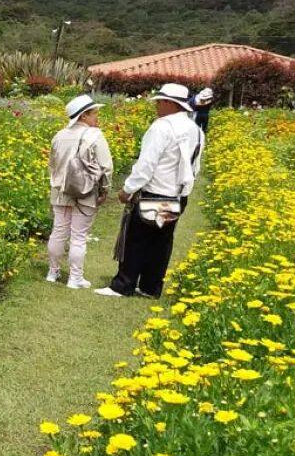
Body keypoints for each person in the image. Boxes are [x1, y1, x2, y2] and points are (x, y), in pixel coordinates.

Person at [96, 82, 203, 299]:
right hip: (178, 195)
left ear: (167, 103)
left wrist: (127, 190)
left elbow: (146, 164)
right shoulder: (196, 130)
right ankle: (150, 287)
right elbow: (195, 165)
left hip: (155, 193)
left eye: (159, 102)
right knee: (161, 242)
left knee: (137, 239)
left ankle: (123, 284)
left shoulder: (162, 127)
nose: (157, 107)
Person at [46, 94, 114, 288]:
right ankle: (75, 278)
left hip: (60, 190)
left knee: (58, 231)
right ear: (84, 116)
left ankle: (53, 272)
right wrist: (104, 190)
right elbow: (106, 167)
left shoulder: (59, 135)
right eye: (94, 114)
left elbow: (52, 164)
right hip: (86, 191)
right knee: (78, 235)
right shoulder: (95, 135)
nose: (96, 118)